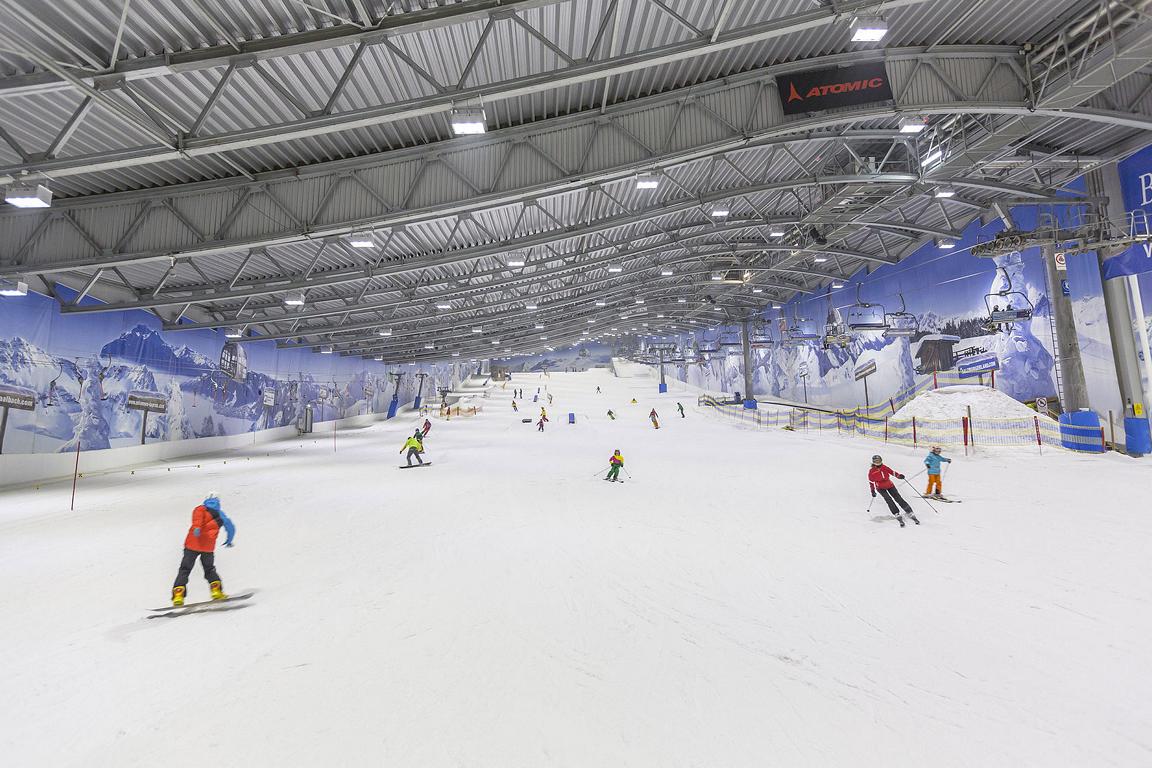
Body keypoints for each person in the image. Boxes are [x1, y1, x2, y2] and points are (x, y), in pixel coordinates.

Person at [171, 493, 235, 606]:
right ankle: (216, 590)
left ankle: (178, 595)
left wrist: (197, 527)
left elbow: (197, 518)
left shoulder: (200, 509)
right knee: (209, 569)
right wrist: (229, 540)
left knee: (184, 569)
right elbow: (230, 527)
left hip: (192, 545)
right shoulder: (221, 515)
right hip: (208, 547)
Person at [868, 455, 918, 526]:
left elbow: (892, 472)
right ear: (873, 462)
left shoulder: (884, 467)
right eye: (876, 461)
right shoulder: (872, 471)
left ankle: (909, 511)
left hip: (890, 485)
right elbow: (871, 482)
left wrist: (899, 476)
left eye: (879, 460)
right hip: (880, 488)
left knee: (898, 498)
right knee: (888, 499)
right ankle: (896, 512)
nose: (878, 462)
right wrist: (872, 491)